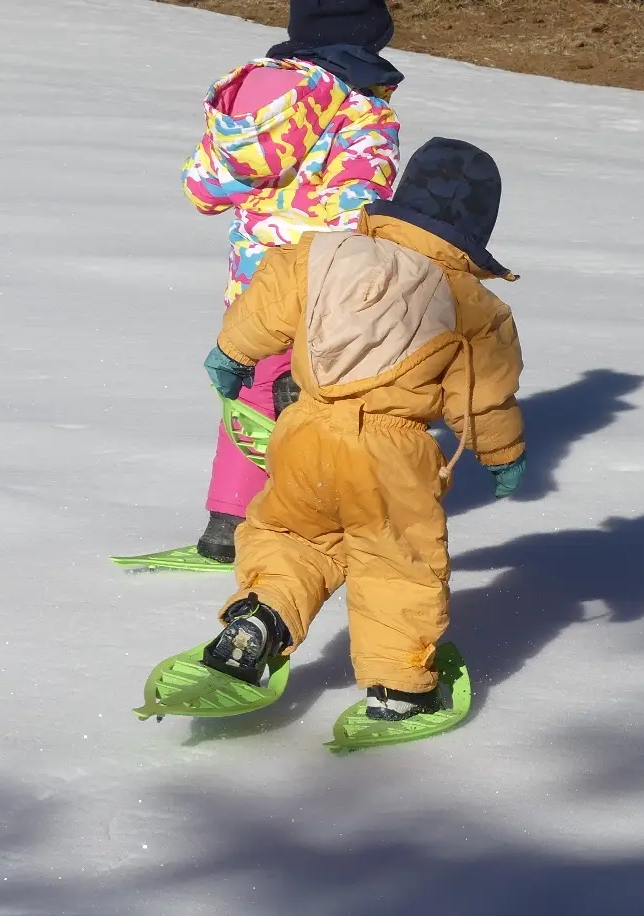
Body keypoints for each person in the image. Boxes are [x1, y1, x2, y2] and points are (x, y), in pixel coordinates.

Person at [197, 138, 528, 720]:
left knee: (293, 536)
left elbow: (265, 303)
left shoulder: (324, 253)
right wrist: (501, 454)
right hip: (389, 453)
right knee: (396, 562)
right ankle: (400, 688)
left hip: (302, 432)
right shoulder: (474, 304)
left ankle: (262, 615)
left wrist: (231, 352)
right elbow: (482, 394)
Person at [182, 0, 404, 563]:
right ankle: (302, 524)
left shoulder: (253, 93)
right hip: (322, 279)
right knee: (321, 395)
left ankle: (227, 523)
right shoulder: (359, 108)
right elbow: (363, 205)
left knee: (250, 386)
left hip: (253, 280)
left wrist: (266, 208)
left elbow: (204, 189)